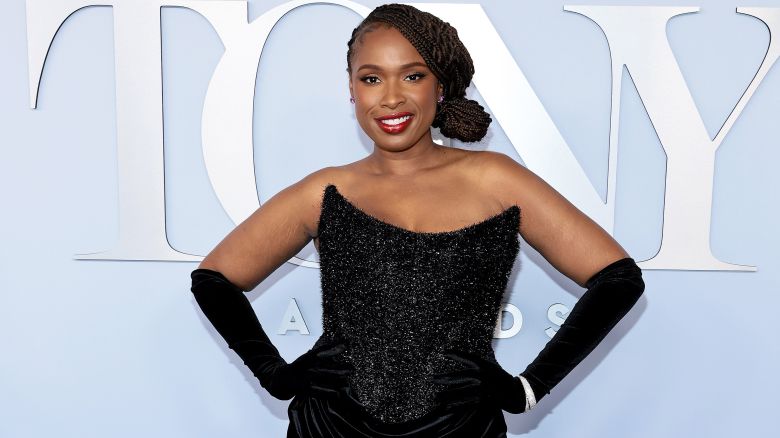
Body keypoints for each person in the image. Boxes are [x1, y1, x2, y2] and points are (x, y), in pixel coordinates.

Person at [190, 3, 645, 437]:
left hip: (463, 428)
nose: (391, 98)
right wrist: (276, 376)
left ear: (439, 85)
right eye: (371, 78)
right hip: (329, 426)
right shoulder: (324, 192)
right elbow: (214, 279)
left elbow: (618, 280)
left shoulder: (496, 180)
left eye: (412, 76)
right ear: (351, 89)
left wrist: (528, 388)